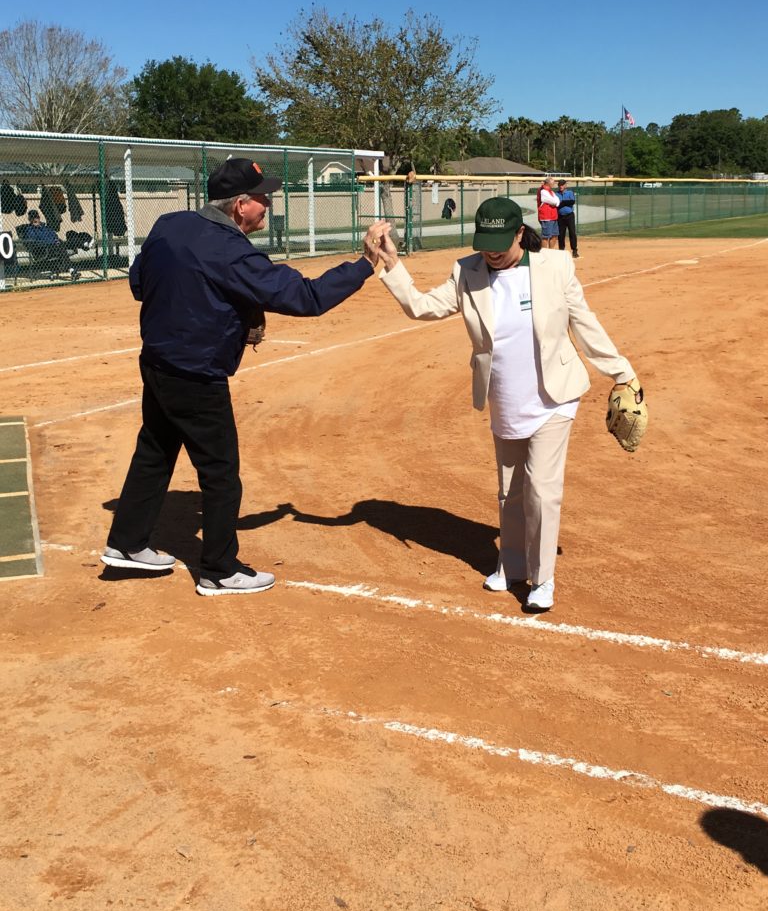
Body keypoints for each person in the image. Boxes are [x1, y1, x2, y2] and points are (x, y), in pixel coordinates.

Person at [101, 157, 389, 597]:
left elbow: (140, 283)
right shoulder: (230, 251)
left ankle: (126, 542)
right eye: (262, 198)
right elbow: (306, 297)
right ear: (239, 206)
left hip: (157, 362)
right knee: (220, 471)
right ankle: (218, 569)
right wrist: (366, 264)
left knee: (155, 451)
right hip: (196, 374)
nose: (268, 204)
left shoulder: (169, 224)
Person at [375, 197, 640, 612]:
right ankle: (512, 565)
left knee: (541, 489)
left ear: (520, 233)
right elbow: (422, 307)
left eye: (500, 242)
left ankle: (542, 579)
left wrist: (621, 371)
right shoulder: (467, 271)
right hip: (505, 396)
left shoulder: (555, 267)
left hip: (554, 396)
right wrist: (392, 265)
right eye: (485, 243)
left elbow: (583, 322)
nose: (491, 252)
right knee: (509, 492)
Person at [556, 179, 579, 258]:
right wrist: (564, 203)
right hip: (560, 217)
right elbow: (556, 204)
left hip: (569, 216)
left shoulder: (570, 192)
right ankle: (561, 250)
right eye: (559, 185)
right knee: (561, 234)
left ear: (565, 186)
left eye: (562, 185)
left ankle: (574, 250)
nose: (560, 186)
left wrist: (562, 203)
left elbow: (572, 201)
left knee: (572, 233)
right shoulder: (556, 194)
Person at [536, 177, 560, 249]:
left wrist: (555, 203)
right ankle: (544, 252)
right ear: (548, 183)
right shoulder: (543, 191)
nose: (554, 184)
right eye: (553, 183)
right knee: (546, 236)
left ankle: (551, 252)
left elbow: (557, 201)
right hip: (546, 217)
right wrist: (555, 202)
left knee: (554, 235)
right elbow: (553, 201)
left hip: (553, 216)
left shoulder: (551, 192)